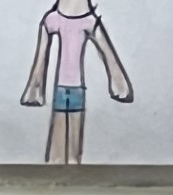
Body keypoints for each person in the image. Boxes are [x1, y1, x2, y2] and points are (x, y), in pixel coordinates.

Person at [21, 2, 134, 166]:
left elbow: (109, 56)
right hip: (65, 90)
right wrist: (35, 89)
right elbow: (41, 58)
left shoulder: (87, 21)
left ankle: (66, 173)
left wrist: (119, 84)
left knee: (71, 150)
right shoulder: (55, 19)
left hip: (74, 90)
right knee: (58, 152)